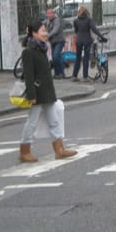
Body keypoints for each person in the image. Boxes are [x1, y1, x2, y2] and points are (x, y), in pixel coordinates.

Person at [19, 20, 77, 162]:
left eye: (45, 30)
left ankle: (59, 150)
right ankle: (24, 151)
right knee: (31, 123)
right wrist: (31, 95)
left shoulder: (42, 48)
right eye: (43, 31)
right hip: (37, 94)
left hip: (47, 93)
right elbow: (28, 76)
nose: (46, 33)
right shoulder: (28, 52)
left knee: (54, 122)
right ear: (34, 33)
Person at [71, 6, 107, 82]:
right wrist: (102, 37)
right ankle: (85, 77)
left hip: (79, 40)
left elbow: (76, 30)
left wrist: (78, 36)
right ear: (86, 12)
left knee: (78, 58)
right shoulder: (89, 20)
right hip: (87, 40)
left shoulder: (75, 20)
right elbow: (94, 30)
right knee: (86, 58)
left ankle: (74, 76)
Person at [45, 8, 66, 79]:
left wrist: (48, 36)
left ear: (53, 14)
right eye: (48, 13)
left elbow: (55, 30)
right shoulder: (47, 21)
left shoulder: (57, 20)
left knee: (56, 56)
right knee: (54, 58)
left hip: (59, 41)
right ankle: (58, 74)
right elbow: (43, 26)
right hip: (53, 42)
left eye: (50, 13)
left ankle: (61, 73)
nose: (49, 15)